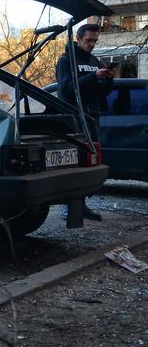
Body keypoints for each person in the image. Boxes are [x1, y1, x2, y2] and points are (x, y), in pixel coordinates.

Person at [55, 23, 113, 221]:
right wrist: (92, 76)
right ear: (79, 38)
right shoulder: (66, 60)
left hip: (92, 114)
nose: (92, 44)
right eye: (89, 40)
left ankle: (81, 204)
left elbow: (100, 91)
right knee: (76, 161)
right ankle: (68, 206)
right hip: (75, 116)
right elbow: (66, 89)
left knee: (90, 162)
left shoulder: (95, 60)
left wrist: (108, 80)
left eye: (95, 41)